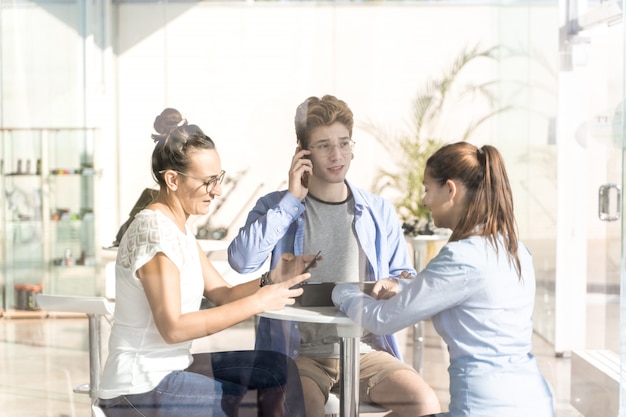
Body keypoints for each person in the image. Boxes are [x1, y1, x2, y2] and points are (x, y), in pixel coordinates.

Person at [227, 95, 441, 417]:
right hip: (301, 354)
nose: (337, 155)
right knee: (303, 406)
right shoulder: (277, 207)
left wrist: (396, 285)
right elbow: (242, 261)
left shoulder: (377, 211)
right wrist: (290, 199)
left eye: (343, 143)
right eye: (324, 145)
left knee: (424, 404)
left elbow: (404, 275)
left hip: (366, 349)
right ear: (303, 151)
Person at [97, 108, 313, 417]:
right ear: (172, 179)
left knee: (278, 369)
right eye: (208, 181)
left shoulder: (178, 228)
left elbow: (221, 293)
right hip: (138, 388)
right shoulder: (155, 233)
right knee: (245, 404)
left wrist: (271, 279)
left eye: (219, 178)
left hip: (171, 370)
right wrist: (259, 303)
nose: (218, 190)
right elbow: (173, 328)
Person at [332, 142, 556, 417]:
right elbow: (463, 292)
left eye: (428, 189)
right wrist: (402, 286)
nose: (425, 201)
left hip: (485, 408)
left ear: (450, 189)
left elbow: (383, 320)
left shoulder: (461, 256)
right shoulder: (513, 248)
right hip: (535, 402)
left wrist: (342, 293)